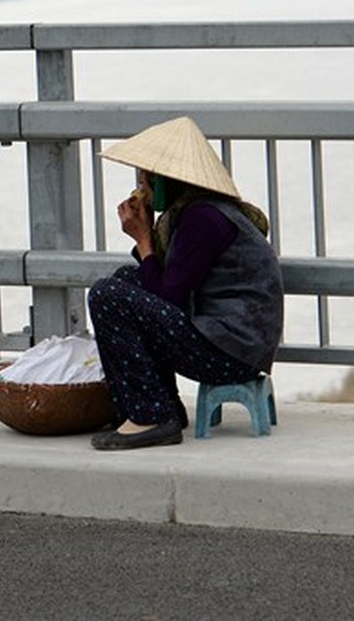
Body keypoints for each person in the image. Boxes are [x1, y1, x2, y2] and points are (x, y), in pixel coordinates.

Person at [87, 116, 284, 450]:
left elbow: (170, 299)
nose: (142, 186)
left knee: (106, 295)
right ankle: (159, 407)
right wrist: (146, 243)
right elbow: (165, 286)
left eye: (146, 178)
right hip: (234, 344)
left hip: (229, 353)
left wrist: (144, 240)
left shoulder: (201, 219)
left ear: (165, 180)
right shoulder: (199, 212)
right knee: (124, 280)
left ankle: (151, 416)